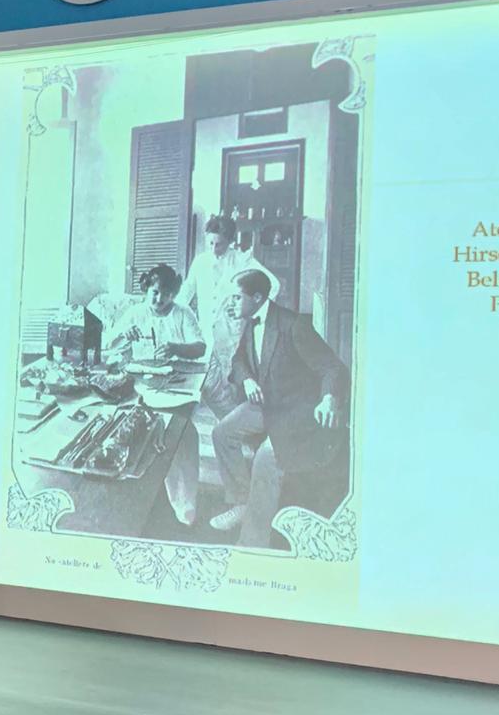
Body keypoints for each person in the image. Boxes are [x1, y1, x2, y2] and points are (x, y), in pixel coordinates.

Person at [209, 270, 348, 547]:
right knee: (222, 432)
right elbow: (238, 361)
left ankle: (252, 544)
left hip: (297, 411)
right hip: (266, 405)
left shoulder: (293, 325)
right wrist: (248, 379)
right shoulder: (250, 323)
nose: (231, 304)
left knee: (264, 460)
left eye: (237, 297)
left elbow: (333, 368)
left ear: (258, 297)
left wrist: (329, 398)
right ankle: (240, 502)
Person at [106, 265, 204, 526]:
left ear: (174, 294)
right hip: (140, 385)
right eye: (155, 293)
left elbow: (200, 347)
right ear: (146, 290)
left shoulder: (184, 314)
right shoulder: (135, 313)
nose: (160, 299)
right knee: (129, 430)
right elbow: (109, 345)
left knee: (183, 434)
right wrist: (123, 337)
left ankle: (185, 504)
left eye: (166, 294)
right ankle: (133, 495)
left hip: (174, 383)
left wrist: (176, 347)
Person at [178, 214, 280, 419]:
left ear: (231, 242)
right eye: (210, 243)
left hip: (233, 332)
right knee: (210, 385)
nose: (214, 248)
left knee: (235, 381)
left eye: (220, 244)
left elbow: (273, 285)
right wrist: (173, 312)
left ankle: (240, 428)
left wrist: (250, 310)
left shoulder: (242, 260)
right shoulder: (200, 261)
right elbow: (186, 292)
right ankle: (227, 424)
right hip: (207, 330)